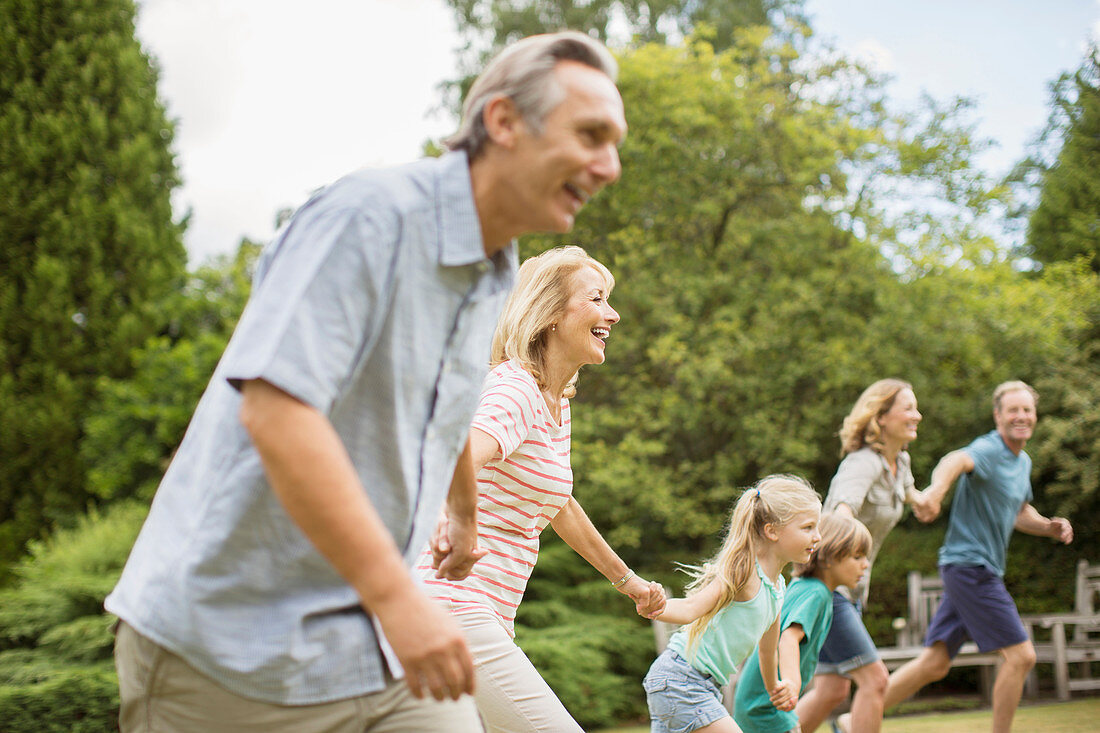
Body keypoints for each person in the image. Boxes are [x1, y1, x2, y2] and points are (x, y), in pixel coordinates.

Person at [105, 31, 627, 733]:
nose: (610, 165)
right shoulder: (370, 216)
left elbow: (445, 422)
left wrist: (465, 514)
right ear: (502, 122)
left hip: (367, 644)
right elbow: (277, 414)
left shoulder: (493, 271)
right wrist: (400, 598)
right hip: (225, 647)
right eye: (591, 134)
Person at [418, 245, 666, 731]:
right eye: (596, 299)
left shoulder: (556, 404)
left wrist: (627, 581)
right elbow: (456, 454)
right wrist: (459, 519)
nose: (612, 315)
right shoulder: (517, 390)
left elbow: (560, 505)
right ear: (550, 313)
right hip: (453, 606)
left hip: (483, 614)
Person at [884, 380, 1074, 733]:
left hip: (971, 568)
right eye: (1013, 410)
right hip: (971, 566)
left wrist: (1049, 526)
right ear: (998, 415)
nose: (1021, 416)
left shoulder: (1022, 461)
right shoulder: (989, 449)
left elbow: (1018, 512)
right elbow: (955, 460)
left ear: (1035, 416)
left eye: (1027, 410)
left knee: (935, 663)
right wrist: (936, 492)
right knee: (1021, 656)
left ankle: (854, 720)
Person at [643, 475, 824, 733]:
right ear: (772, 531)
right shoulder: (745, 572)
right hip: (681, 680)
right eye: (808, 528)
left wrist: (774, 689)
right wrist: (656, 606)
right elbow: (691, 608)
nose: (817, 537)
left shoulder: (777, 589)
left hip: (700, 685)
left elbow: (767, 651)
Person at [795, 379, 922, 733]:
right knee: (875, 680)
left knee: (832, 690)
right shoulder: (862, 463)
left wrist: (926, 501)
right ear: (880, 417)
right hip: (826, 590)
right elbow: (839, 512)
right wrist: (849, 529)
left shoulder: (899, 462)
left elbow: (910, 492)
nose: (917, 415)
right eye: (908, 408)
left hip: (851, 591)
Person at [734, 512, 874, 733]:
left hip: (765, 704)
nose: (865, 565)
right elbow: (788, 638)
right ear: (828, 558)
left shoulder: (812, 589)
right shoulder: (815, 593)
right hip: (766, 707)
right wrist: (792, 683)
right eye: (857, 557)